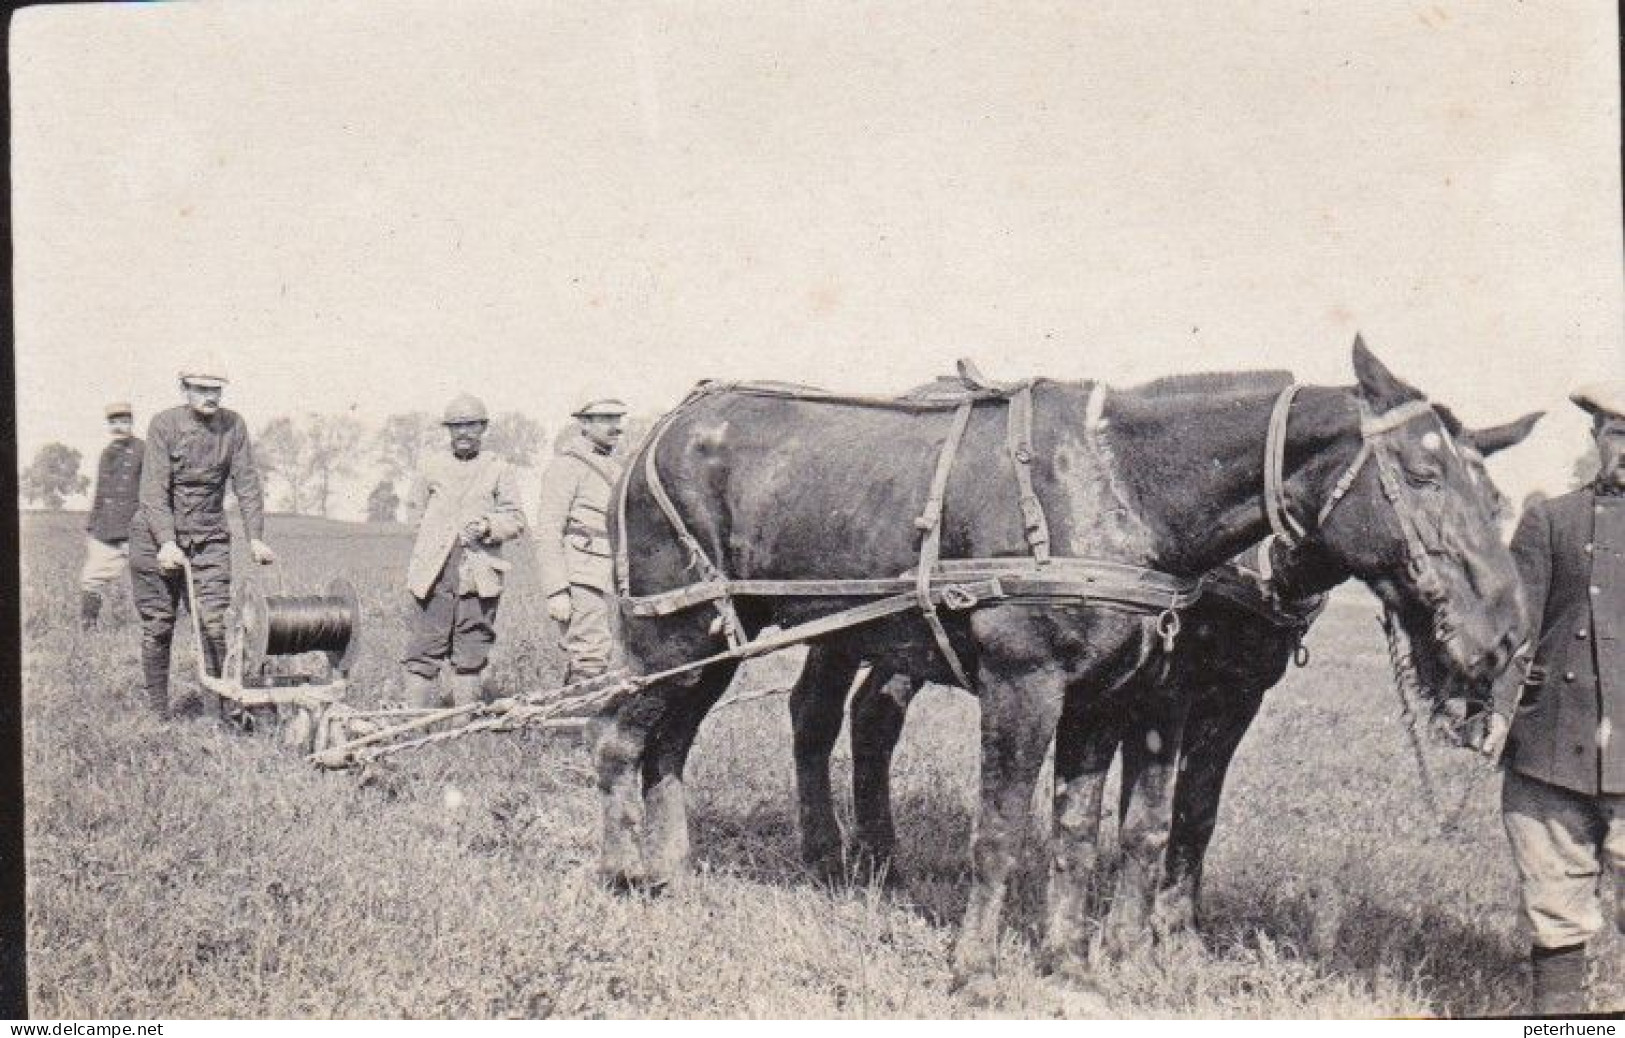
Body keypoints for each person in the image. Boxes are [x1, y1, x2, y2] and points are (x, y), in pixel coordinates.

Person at [1480, 379, 1625, 1015]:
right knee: (1554, 905)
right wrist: (1493, 710)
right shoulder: (1551, 520)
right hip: (1552, 751)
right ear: (1598, 439)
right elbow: (1517, 630)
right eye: (1620, 434)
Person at [130, 357, 274, 717]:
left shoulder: (233, 426)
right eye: (202, 389)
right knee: (160, 625)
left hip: (209, 537)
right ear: (185, 390)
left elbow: (247, 483)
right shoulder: (164, 425)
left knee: (213, 622)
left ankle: (219, 712)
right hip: (155, 538)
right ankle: (158, 713)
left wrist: (255, 537)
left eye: (216, 389)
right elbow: (153, 491)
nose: (210, 396)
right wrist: (166, 541)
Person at [400, 393, 528, 709]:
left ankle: (462, 724)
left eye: (471, 425)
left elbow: (516, 519)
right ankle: (412, 721)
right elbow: (415, 515)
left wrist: (488, 527)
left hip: (479, 575)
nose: (463, 433)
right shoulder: (430, 467)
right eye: (456, 427)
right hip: (434, 575)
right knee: (424, 646)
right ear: (448, 430)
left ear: (483, 428)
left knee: (472, 647)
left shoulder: (499, 469)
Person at [534, 399, 627, 684]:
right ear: (584, 424)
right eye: (604, 419)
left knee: (601, 653)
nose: (614, 426)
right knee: (590, 653)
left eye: (617, 418)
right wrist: (557, 591)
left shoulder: (614, 467)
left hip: (611, 574)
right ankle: (575, 725)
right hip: (580, 574)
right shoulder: (566, 466)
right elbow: (548, 531)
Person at [79, 402, 144, 630]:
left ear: (131, 422)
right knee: (92, 577)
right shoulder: (107, 453)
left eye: (124, 421)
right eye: (114, 422)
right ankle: (88, 625)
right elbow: (101, 492)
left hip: (135, 526)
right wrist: (92, 525)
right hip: (106, 528)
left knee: (154, 577)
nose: (119, 427)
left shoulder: (142, 450)